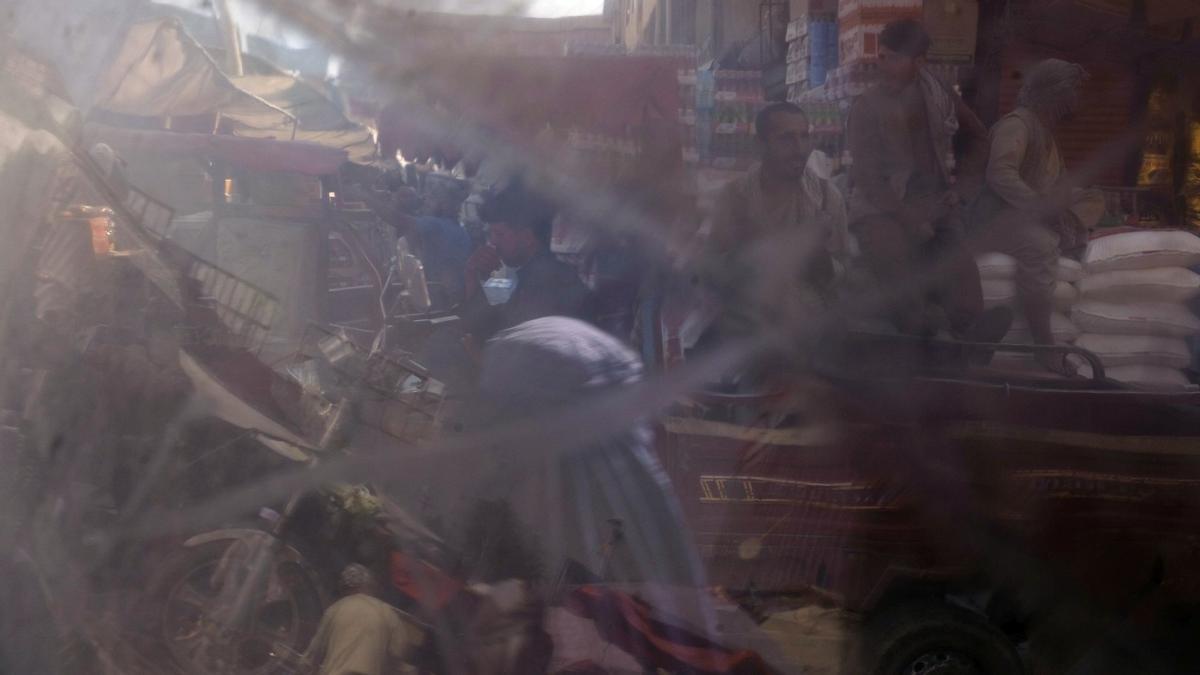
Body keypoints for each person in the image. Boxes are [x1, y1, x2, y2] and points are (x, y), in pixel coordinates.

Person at [847, 19, 1010, 342]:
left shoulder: (939, 94)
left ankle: (971, 337)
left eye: (893, 58)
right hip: (882, 209)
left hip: (935, 204)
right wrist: (908, 219)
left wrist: (961, 190)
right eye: (883, 56)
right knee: (895, 264)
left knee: (960, 268)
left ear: (918, 62)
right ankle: (918, 334)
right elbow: (867, 177)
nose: (883, 64)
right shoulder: (867, 107)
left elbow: (978, 138)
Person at [971, 58, 1105, 372]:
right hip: (997, 219)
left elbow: (1057, 185)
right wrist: (1042, 209)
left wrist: (1067, 201)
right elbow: (1001, 174)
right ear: (1055, 93)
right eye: (1073, 91)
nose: (1077, 99)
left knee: (1091, 196)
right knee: (1041, 246)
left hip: (1028, 214)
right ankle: (1044, 348)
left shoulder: (1046, 133)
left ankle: (1067, 231)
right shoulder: (1017, 124)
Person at [699, 101, 848, 349]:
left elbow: (840, 281)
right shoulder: (736, 198)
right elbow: (712, 272)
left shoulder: (825, 198)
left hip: (808, 338)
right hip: (746, 334)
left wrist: (816, 251)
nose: (799, 149)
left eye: (804, 137)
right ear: (761, 144)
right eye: (786, 139)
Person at [460, 180, 594, 335]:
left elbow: (497, 336)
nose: (493, 242)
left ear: (528, 237)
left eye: (499, 234)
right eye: (491, 234)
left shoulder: (546, 282)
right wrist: (472, 276)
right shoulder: (540, 275)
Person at [303, 563, 423, 675]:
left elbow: (312, 655)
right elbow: (399, 651)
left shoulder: (335, 609)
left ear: (344, 589)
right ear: (369, 586)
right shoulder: (386, 612)